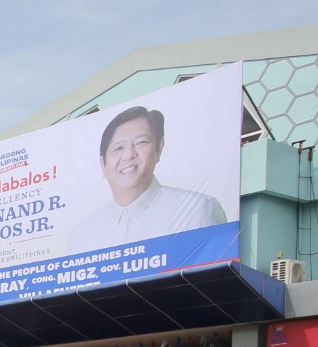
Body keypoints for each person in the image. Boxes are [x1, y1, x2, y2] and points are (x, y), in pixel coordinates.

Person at [66, 105, 229, 254]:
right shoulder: (82, 234)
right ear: (103, 164)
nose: (129, 155)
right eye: (118, 148)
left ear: (159, 148)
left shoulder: (197, 209)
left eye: (140, 143)